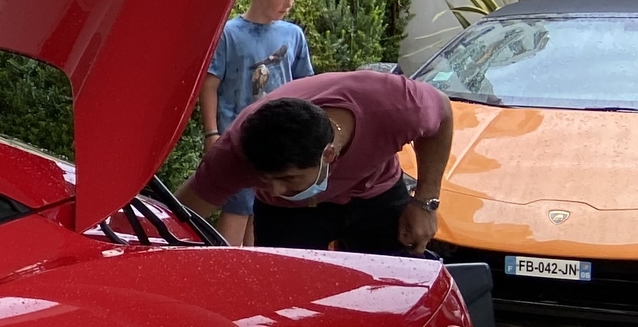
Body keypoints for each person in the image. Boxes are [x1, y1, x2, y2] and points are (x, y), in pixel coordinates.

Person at [178, 69, 453, 255]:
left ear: (329, 155)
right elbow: (177, 218)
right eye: (263, 179)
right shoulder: (234, 153)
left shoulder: (397, 106)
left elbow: (442, 114)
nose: (275, 190)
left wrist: (426, 202)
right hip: (287, 216)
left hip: (374, 193)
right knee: (283, 299)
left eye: (288, 179)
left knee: (397, 285)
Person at [198, 0, 315, 245]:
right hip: (239, 138)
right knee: (237, 210)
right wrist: (212, 133)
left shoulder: (293, 34)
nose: (288, 4)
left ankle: (248, 271)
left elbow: (307, 86)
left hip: (282, 142)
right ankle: (223, 272)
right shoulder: (229, 33)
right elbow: (209, 85)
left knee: (261, 212)